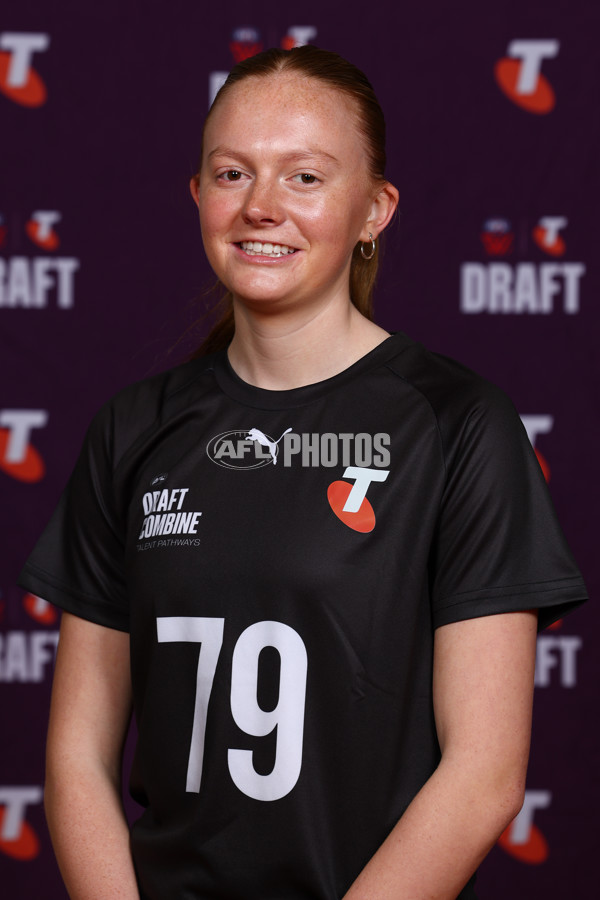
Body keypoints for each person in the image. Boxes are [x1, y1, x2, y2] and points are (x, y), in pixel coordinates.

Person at [20, 46, 587, 900]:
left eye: (306, 178)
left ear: (375, 209)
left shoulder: (458, 423)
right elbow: (76, 757)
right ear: (198, 196)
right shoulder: (134, 428)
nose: (261, 207)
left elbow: (484, 776)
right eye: (232, 172)